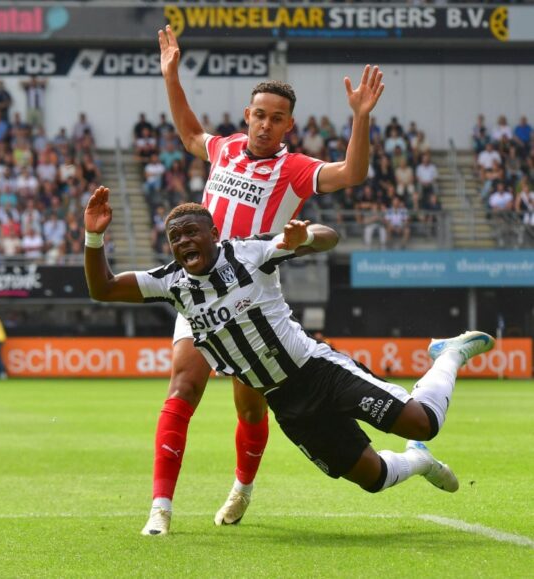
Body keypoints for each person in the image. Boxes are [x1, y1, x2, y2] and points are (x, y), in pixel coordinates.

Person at [83, 187, 496, 534]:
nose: (184, 242)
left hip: (319, 373)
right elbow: (102, 288)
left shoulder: (249, 253)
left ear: (213, 232)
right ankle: (418, 460)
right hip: (287, 405)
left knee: (422, 421)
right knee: (371, 477)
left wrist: (305, 238)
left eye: (192, 232)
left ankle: (450, 353)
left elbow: (327, 234)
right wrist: (94, 237)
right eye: (176, 238)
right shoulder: (171, 282)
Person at [147, 25, 386, 536]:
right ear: (247, 116)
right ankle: (160, 509)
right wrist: (171, 75)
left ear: (288, 127)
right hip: (199, 294)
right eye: (259, 115)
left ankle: (243, 487)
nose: (265, 125)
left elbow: (352, 174)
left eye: (276, 119)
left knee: (250, 407)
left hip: (251, 301)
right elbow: (191, 134)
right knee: (182, 387)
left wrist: (360, 119)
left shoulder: (295, 168)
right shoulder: (226, 148)